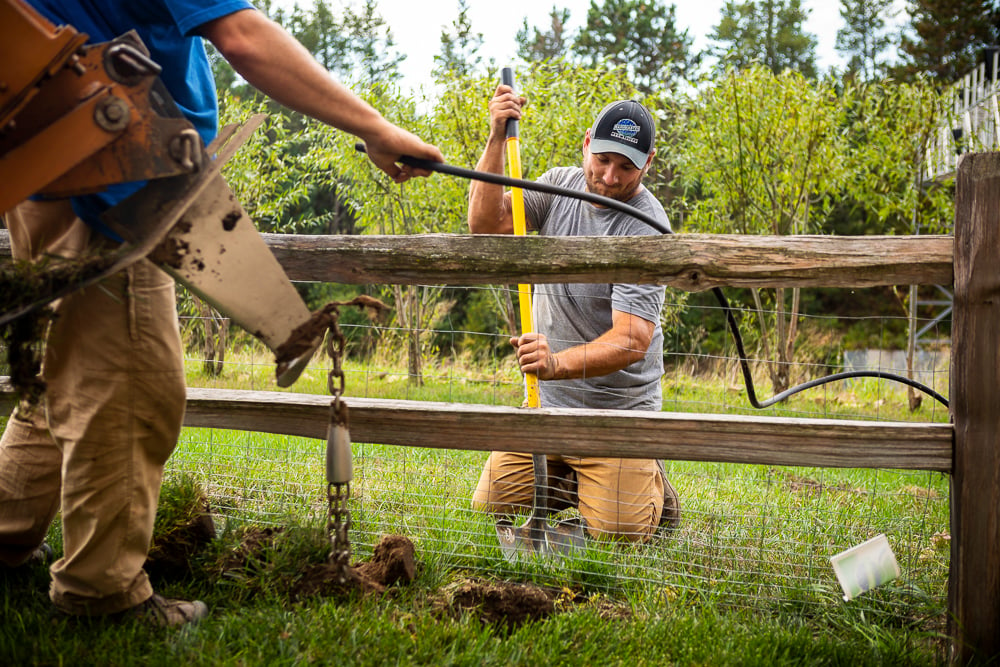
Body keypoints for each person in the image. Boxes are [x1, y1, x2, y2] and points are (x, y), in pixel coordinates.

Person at [0, 0, 443, 627]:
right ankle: (101, 594)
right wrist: (373, 125)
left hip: (60, 162)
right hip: (108, 174)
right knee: (132, 387)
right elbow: (241, 35)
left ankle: (6, 532)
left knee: (66, 374)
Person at [468, 86, 680, 542]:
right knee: (489, 506)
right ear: (586, 142)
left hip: (618, 416)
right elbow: (486, 224)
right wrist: (495, 138)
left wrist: (555, 364)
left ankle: (650, 485)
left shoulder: (647, 226)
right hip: (547, 408)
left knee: (620, 533)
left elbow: (632, 340)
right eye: (602, 158)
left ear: (648, 162)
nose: (609, 176)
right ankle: (580, 485)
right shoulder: (555, 186)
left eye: (626, 166)